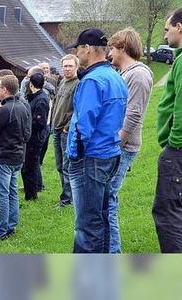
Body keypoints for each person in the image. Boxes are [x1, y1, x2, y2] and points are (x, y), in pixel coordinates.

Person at [67, 28, 128, 253]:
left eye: (78, 48)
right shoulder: (115, 76)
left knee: (86, 224)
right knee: (102, 217)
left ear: (89, 49)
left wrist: (74, 155)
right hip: (110, 153)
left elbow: (84, 125)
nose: (77, 53)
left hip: (91, 158)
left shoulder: (92, 80)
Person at [106, 28, 153, 253]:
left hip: (122, 148)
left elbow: (134, 113)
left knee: (108, 200)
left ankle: (113, 253)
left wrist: (117, 145)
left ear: (123, 47)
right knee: (105, 199)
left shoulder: (139, 74)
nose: (109, 54)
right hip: (116, 146)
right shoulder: (123, 73)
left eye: (112, 49)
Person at [0, 75, 31, 240]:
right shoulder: (22, 107)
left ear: (4, 89)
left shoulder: (5, 109)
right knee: (12, 192)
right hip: (18, 156)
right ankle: (11, 226)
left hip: (4, 157)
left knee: (1, 195)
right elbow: (27, 134)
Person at [152, 8, 182, 252]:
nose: (165, 36)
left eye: (167, 28)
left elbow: (180, 104)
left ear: (179, 27)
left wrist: (174, 143)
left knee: (168, 214)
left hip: (178, 151)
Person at [51, 54, 80, 208]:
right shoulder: (62, 82)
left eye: (70, 66)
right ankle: (67, 195)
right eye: (65, 66)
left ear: (76, 67)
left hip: (65, 131)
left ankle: (67, 199)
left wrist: (67, 128)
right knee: (59, 165)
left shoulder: (78, 84)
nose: (67, 68)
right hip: (55, 129)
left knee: (67, 166)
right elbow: (56, 103)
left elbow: (78, 109)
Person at [22, 72, 49, 201]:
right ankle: (29, 192)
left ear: (31, 84)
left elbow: (40, 122)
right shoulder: (34, 97)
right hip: (30, 137)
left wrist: (26, 124)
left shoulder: (41, 99)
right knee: (27, 167)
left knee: (30, 167)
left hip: (35, 138)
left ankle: (31, 195)